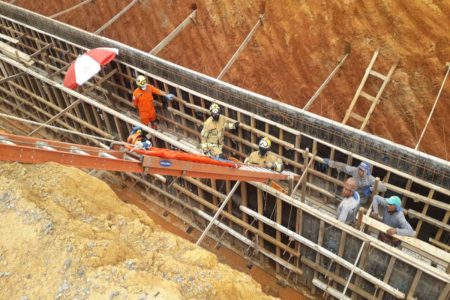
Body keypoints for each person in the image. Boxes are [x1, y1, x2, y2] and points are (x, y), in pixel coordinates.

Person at [320, 159, 386, 204]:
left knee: (354, 209)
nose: (360, 171)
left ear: (366, 171)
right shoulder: (355, 170)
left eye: (362, 170)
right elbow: (344, 167)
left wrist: (371, 188)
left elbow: (384, 188)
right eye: (359, 169)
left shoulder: (370, 179)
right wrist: (332, 163)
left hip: (361, 198)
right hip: (352, 193)